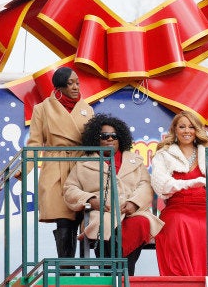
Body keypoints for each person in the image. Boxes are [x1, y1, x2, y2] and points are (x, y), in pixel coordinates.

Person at [63, 114, 163, 276]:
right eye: (104, 136)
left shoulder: (135, 160)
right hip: (102, 214)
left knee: (141, 222)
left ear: (120, 138)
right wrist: (91, 200)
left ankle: (120, 275)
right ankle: (120, 276)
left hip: (131, 213)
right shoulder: (83, 163)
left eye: (114, 136)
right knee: (107, 228)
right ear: (96, 139)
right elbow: (70, 189)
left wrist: (134, 203)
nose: (110, 139)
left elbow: (146, 185)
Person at [15, 66, 94, 269]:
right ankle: (67, 270)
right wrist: (25, 169)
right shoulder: (42, 108)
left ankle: (84, 273)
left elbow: (94, 142)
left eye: (78, 82)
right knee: (64, 220)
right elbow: (34, 143)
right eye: (71, 83)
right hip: (56, 167)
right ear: (60, 86)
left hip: (81, 167)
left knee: (84, 216)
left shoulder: (87, 108)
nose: (76, 87)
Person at [151, 110, 208, 276]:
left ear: (197, 131)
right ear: (174, 130)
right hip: (177, 207)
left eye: (191, 127)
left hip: (203, 208)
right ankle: (182, 280)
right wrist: (189, 183)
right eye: (182, 127)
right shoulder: (164, 155)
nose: (187, 131)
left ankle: (204, 279)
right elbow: (161, 185)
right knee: (179, 222)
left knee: (205, 227)